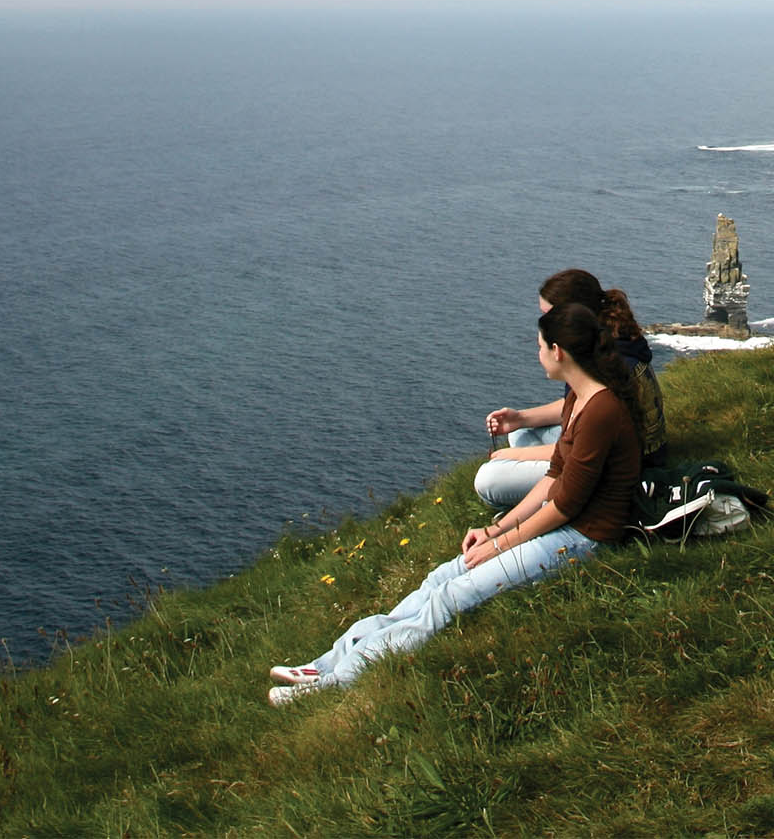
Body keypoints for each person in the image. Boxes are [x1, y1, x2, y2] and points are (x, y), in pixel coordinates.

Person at [266, 301, 642, 704]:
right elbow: (553, 476)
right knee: (439, 579)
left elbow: (565, 505)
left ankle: (336, 684)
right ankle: (330, 663)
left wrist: (500, 545)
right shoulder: (578, 400)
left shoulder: (600, 410)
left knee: (451, 597)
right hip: (566, 525)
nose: (537, 355)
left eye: (539, 346)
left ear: (559, 352)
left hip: (586, 536)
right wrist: (492, 530)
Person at [475, 269, 664, 510]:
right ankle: (547, 492)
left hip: (627, 468)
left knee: (489, 479)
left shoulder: (608, 365)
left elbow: (587, 442)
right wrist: (520, 418)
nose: (543, 324)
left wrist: (514, 457)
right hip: (606, 448)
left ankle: (554, 498)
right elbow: (579, 406)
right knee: (519, 433)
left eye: (548, 315)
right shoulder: (604, 343)